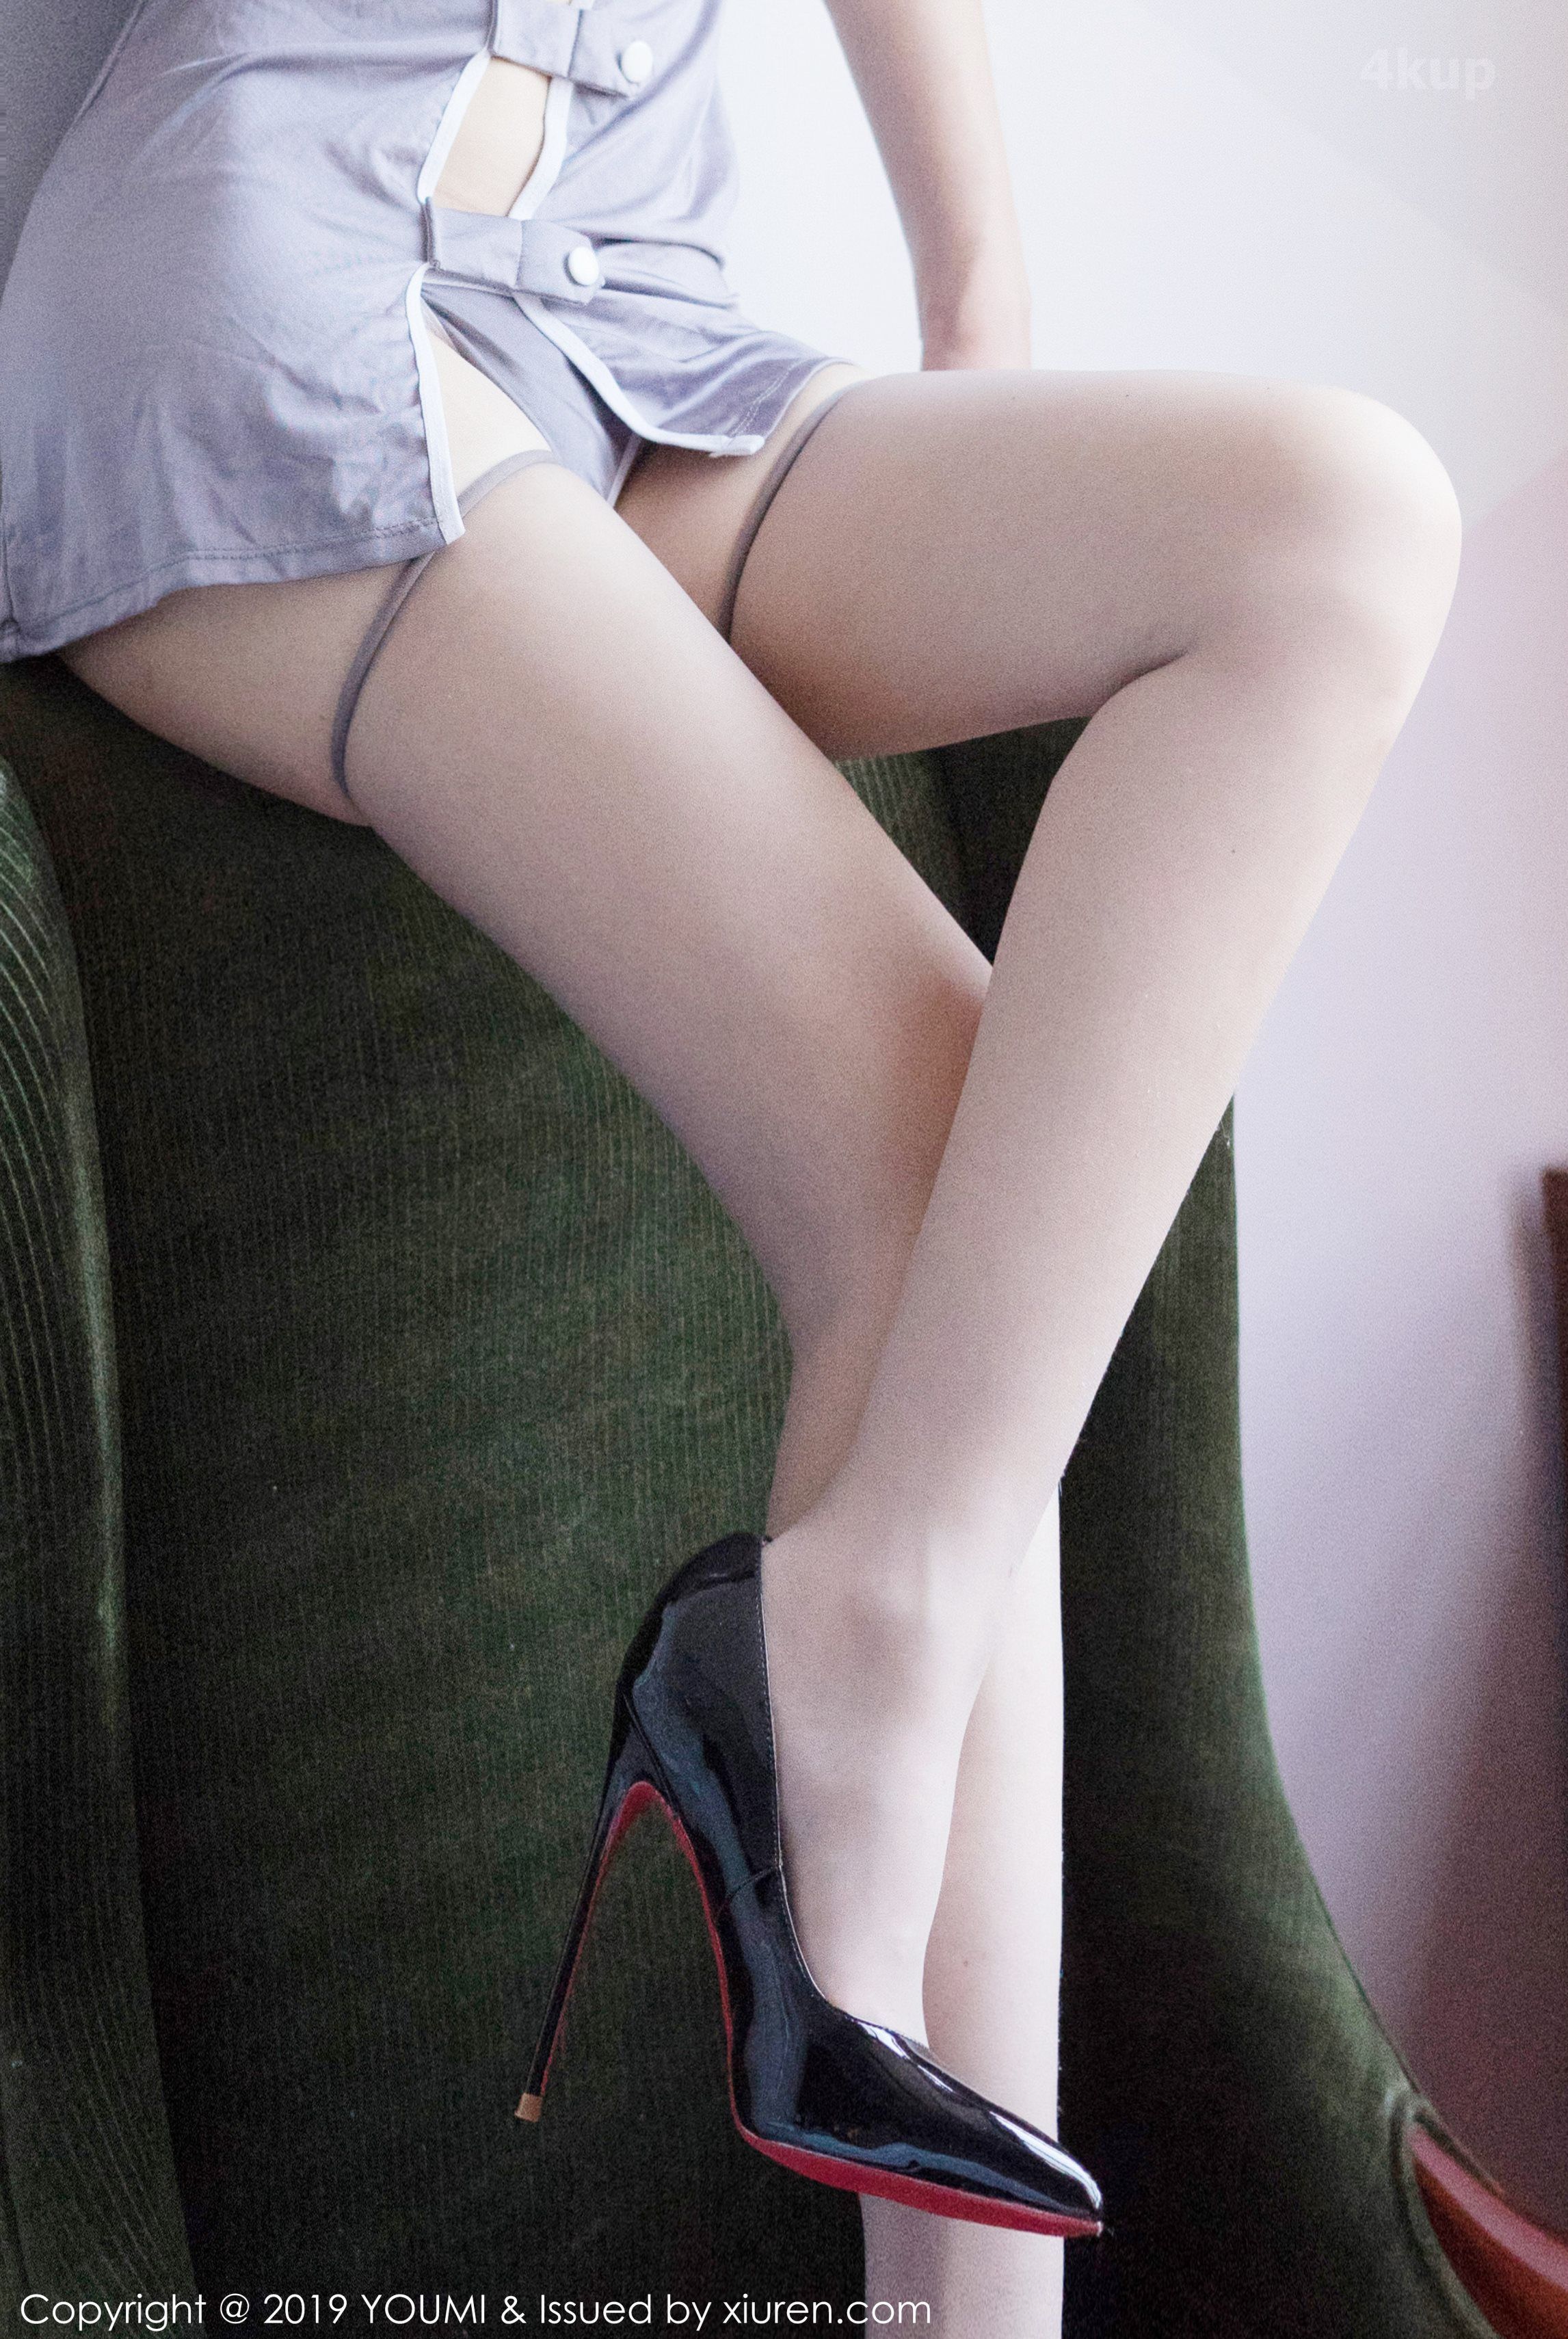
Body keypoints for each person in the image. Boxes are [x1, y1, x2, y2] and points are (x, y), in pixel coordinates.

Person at [0, 0, 1463, 2328]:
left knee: (1338, 526)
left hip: (628, 312)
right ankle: (872, 1742)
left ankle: (861, 1610)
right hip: (267, 293)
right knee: (929, 1174)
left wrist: (974, 301)